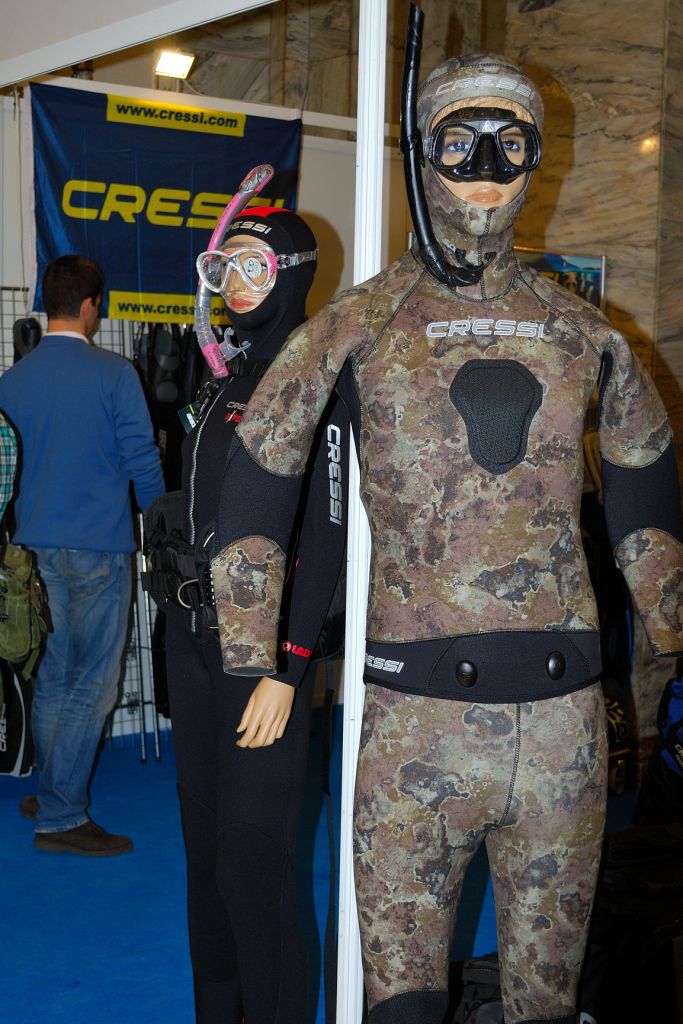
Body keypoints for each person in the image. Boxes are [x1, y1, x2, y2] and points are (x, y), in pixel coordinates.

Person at [208, 47, 683, 1024]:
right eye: (460, 142)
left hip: (560, 733)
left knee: (545, 998)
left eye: (509, 143)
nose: (484, 167)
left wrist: (666, 640)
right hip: (413, 730)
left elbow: (644, 494)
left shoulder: (584, 334)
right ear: (421, 153)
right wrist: (254, 652)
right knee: (403, 1004)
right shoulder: (357, 324)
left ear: (536, 157)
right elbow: (261, 473)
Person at [159, 207, 347, 1024]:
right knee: (204, 862)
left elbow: (327, 536)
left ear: (292, 275)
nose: (235, 283)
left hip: (261, 661)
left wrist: (290, 665)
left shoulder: (318, 380)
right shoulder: (225, 380)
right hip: (192, 642)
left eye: (254, 268)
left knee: (251, 868)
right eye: (224, 267)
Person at [0, 254, 164, 856]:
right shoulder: (115, 373)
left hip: (31, 552)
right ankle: (62, 815)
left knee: (53, 677)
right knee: (92, 683)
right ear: (93, 305)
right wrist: (163, 525)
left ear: (48, 303)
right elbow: (141, 458)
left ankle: (51, 793)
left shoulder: (12, 381)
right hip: (99, 547)